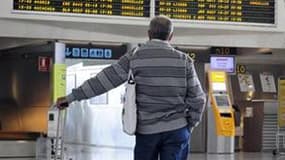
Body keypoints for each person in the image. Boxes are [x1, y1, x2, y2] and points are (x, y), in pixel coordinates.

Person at [56, 15, 206, 160]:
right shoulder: (184, 61)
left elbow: (103, 81)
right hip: (177, 130)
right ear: (171, 36)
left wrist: (71, 97)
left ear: (149, 34)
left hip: (147, 132)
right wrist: (188, 125)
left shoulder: (135, 57)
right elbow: (198, 98)